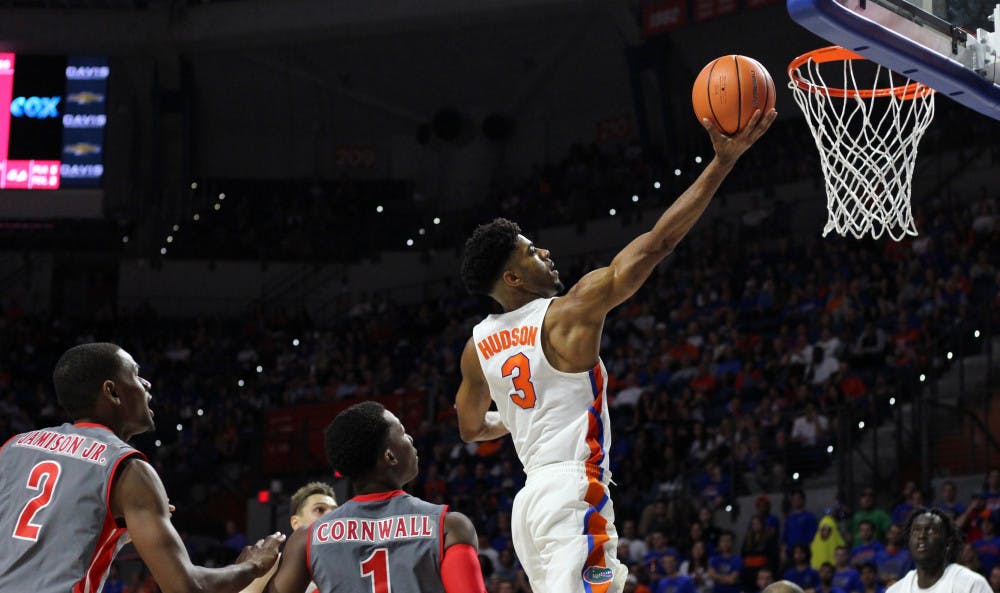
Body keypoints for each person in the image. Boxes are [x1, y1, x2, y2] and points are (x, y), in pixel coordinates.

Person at [455, 109, 776, 593]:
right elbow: (657, 244)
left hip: (529, 506)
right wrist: (723, 163)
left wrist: (516, 420)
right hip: (573, 492)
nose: (545, 253)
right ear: (513, 277)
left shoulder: (477, 347)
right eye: (531, 251)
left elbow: (471, 428)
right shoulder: (569, 312)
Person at [0, 342, 283, 593]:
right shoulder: (128, 468)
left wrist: (115, 531)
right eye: (135, 374)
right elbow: (186, 586)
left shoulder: (13, 447)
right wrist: (253, 565)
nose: (146, 383)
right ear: (112, 391)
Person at [259, 401, 487, 593]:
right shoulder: (449, 526)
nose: (410, 439)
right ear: (390, 456)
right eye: (403, 433)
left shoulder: (307, 538)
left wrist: (252, 569)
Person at [886, 508, 991, 593]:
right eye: (916, 530)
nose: (921, 536)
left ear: (948, 543)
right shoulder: (895, 590)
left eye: (931, 531)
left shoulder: (971, 584)